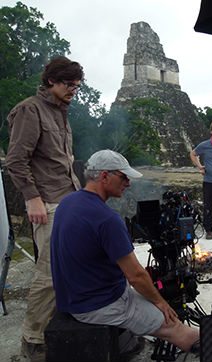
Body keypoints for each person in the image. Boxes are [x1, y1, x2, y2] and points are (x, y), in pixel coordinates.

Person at [50, 150, 199, 353]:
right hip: (99, 304)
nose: (128, 183)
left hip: (74, 296)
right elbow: (136, 276)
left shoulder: (68, 202)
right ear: (104, 176)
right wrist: (161, 303)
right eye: (124, 177)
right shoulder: (107, 219)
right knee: (173, 324)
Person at [5, 56, 83, 361]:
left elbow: (61, 161)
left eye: (77, 86)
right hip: (47, 203)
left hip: (69, 199)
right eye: (68, 84)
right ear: (51, 80)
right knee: (49, 272)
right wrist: (32, 198)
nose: (73, 90)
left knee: (70, 266)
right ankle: (34, 340)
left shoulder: (61, 112)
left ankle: (60, 325)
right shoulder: (30, 109)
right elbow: (15, 161)